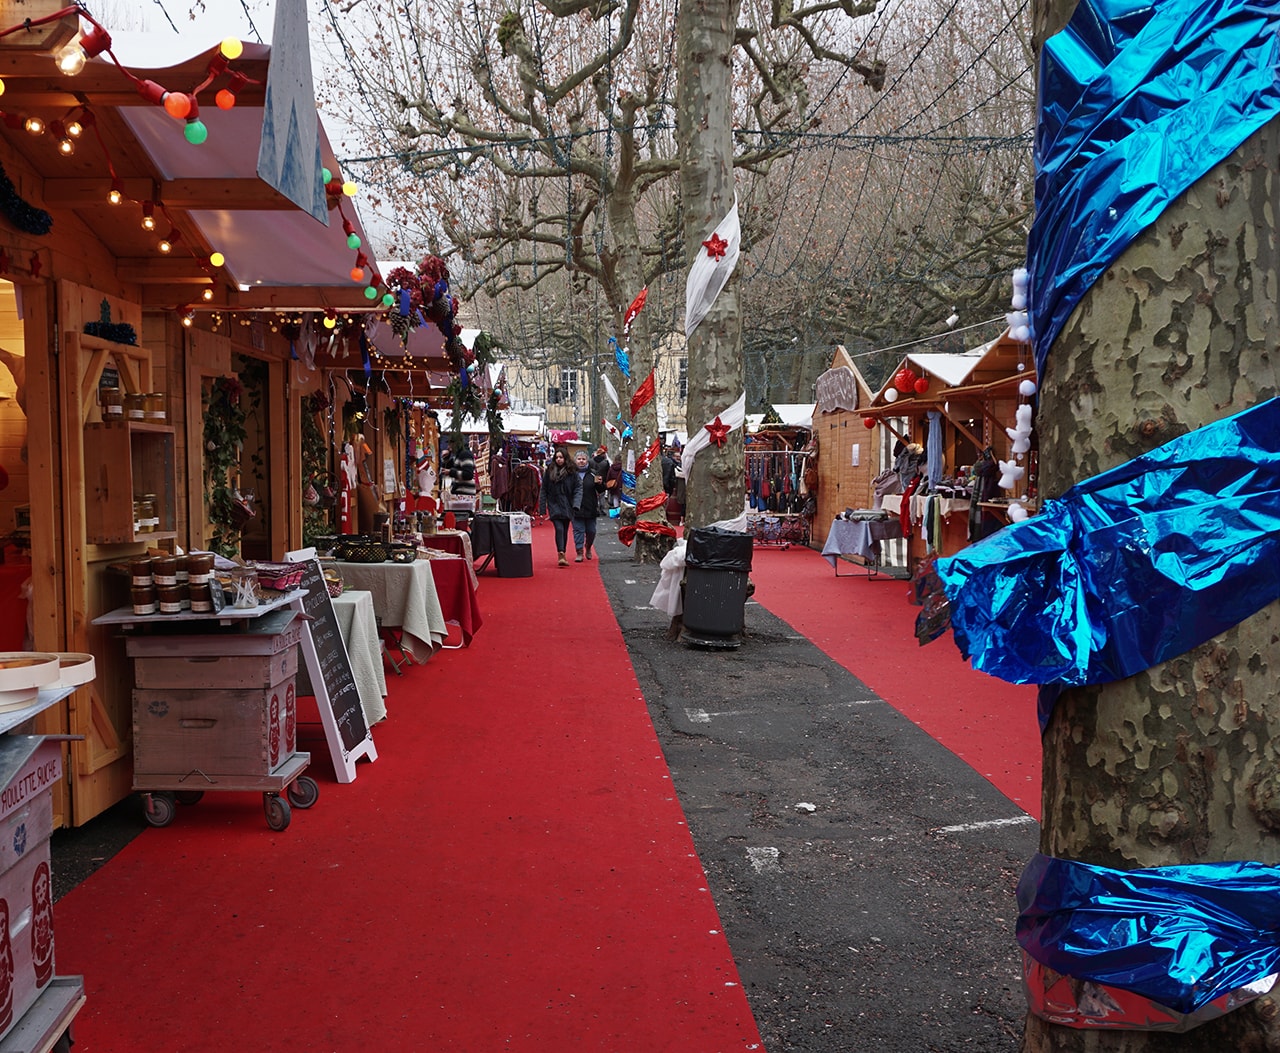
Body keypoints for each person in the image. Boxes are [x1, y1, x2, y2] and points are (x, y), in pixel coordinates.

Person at [538, 447, 581, 566]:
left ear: (565, 458)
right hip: (554, 503)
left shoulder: (572, 472)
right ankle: (560, 553)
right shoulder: (550, 471)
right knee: (559, 528)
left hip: (568, 504)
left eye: (561, 457)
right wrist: (542, 507)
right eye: (557, 457)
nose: (559, 460)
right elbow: (544, 489)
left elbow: (578, 488)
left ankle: (563, 552)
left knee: (565, 529)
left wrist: (576, 504)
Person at [571, 450, 606, 561]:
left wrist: (600, 484)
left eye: (583, 459)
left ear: (587, 460)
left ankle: (588, 546)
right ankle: (579, 551)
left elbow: (600, 490)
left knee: (591, 531)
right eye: (579, 459)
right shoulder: (570, 474)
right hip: (576, 507)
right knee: (578, 530)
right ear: (575, 461)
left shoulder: (593, 473)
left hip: (590, 506)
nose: (581, 461)